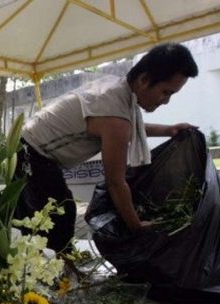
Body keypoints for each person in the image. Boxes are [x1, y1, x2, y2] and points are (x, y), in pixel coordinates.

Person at [14, 42, 199, 253]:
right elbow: (115, 181)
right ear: (144, 79)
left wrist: (169, 130)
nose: (165, 101)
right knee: (56, 218)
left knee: (53, 218)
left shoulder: (117, 91)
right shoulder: (114, 111)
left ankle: (56, 269)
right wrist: (136, 226)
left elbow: (126, 127)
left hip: (32, 151)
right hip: (29, 154)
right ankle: (53, 275)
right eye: (165, 92)